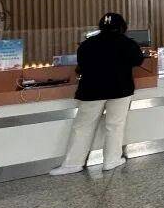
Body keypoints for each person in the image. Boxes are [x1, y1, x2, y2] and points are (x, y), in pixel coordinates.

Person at [50, 13, 146, 175]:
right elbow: (138, 60)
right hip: (120, 90)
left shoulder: (87, 44)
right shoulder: (128, 43)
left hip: (91, 91)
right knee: (115, 126)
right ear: (122, 27)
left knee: (83, 127)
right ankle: (111, 160)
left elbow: (81, 65)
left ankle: (73, 163)